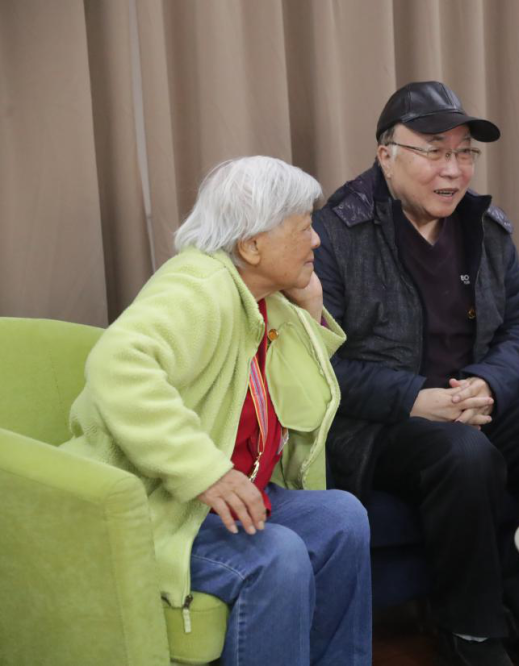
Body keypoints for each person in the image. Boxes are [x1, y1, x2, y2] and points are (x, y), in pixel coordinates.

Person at [312, 81, 519, 666]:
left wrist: (489, 383)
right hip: (381, 423)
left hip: (472, 398)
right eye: (433, 151)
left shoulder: (483, 226)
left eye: (464, 153)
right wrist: (414, 398)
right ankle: (469, 629)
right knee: (463, 454)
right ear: (386, 155)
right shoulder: (337, 235)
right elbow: (316, 363)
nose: (453, 170)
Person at [62, 156, 372, 665]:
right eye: (303, 229)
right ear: (251, 245)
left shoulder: (262, 294)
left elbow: (301, 402)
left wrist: (309, 308)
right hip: (159, 507)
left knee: (341, 518)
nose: (317, 241)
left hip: (231, 500)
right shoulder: (200, 286)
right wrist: (205, 472)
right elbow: (117, 363)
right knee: (278, 555)